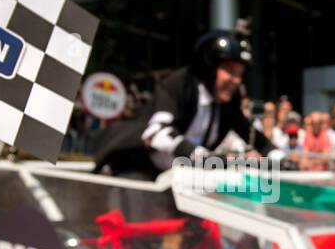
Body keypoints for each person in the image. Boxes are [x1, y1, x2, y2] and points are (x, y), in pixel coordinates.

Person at [92, 26, 257, 178]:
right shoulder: (180, 83)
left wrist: (278, 157)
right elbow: (158, 133)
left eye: (240, 74)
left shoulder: (227, 103)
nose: (236, 80)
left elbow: (256, 139)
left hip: (183, 182)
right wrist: (205, 157)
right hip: (137, 170)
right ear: (209, 67)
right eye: (230, 71)